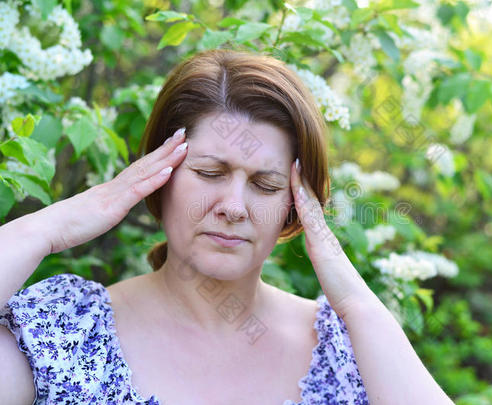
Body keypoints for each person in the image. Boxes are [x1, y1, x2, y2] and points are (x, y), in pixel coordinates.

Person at [0, 49, 455, 404]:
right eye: (210, 173)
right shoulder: (67, 331)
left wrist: (356, 305)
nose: (233, 206)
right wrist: (46, 229)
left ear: (295, 207)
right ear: (160, 175)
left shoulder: (345, 352)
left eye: (265, 184)